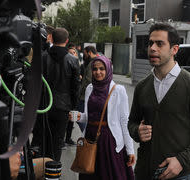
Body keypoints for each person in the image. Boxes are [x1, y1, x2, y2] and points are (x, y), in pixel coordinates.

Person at [128, 23, 190, 180]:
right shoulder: (142, 86)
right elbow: (132, 122)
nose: (152, 48)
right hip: (144, 172)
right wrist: (137, 131)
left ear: (174, 49)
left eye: (159, 44)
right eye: (150, 43)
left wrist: (181, 161)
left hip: (179, 175)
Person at [72, 55, 135, 180]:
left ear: (108, 70)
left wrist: (130, 150)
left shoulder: (118, 90)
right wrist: (79, 117)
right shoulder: (90, 88)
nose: (98, 72)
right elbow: (89, 116)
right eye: (95, 69)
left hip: (108, 141)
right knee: (89, 171)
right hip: (90, 137)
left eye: (102, 69)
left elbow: (124, 121)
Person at [41, 28, 80, 161]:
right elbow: (75, 87)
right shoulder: (73, 60)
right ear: (67, 41)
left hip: (44, 105)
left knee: (44, 139)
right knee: (58, 142)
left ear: (51, 39)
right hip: (63, 106)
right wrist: (73, 106)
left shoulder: (43, 57)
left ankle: (42, 169)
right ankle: (53, 170)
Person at [76, 45, 98, 132]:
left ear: (89, 53)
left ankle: (87, 135)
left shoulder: (92, 63)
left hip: (85, 96)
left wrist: (81, 92)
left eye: (85, 54)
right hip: (89, 96)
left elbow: (88, 81)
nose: (84, 56)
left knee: (79, 117)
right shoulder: (96, 61)